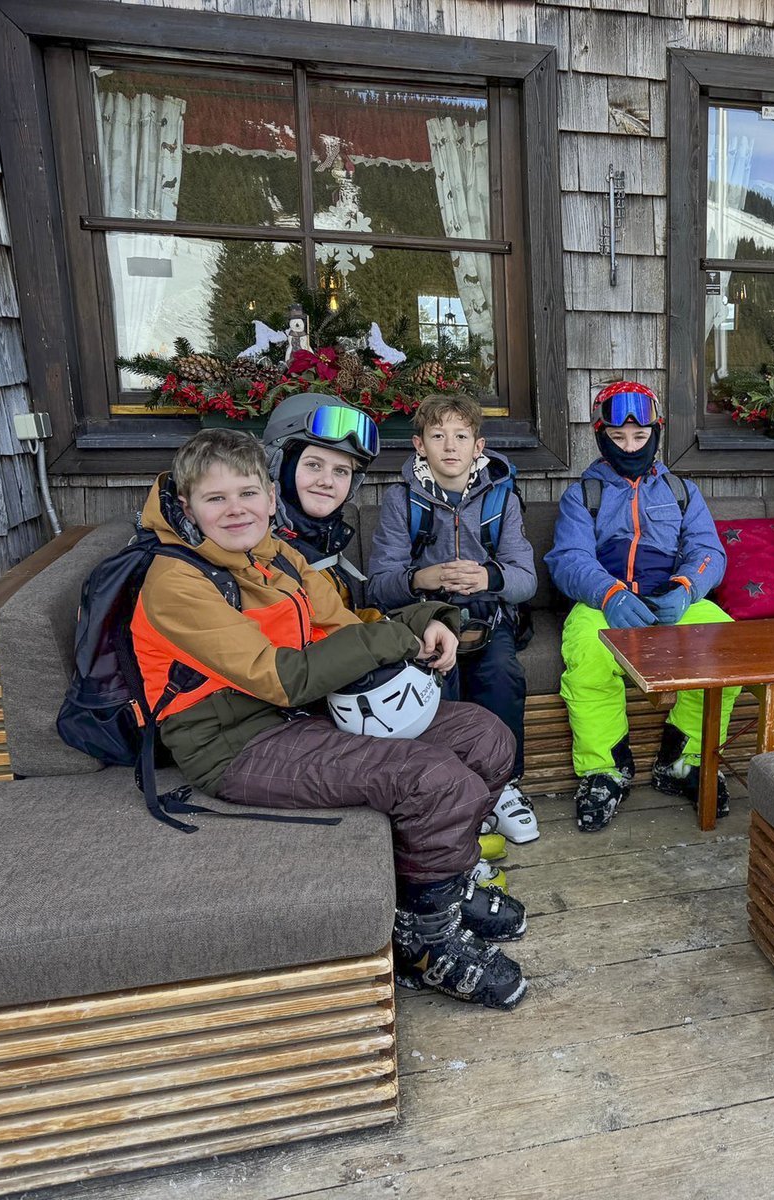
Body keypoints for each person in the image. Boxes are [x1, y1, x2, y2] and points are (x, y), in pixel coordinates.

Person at [129, 428, 528, 1010]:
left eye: (247, 493)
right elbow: (280, 676)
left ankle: (439, 889)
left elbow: (343, 623)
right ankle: (424, 944)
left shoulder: (276, 556)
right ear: (187, 507)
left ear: (270, 497)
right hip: (235, 742)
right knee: (432, 778)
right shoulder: (176, 582)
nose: (236, 509)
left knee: (485, 738)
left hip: (308, 712)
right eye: (216, 499)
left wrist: (423, 620)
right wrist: (394, 639)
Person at [545, 381, 740, 832]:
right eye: (618, 437)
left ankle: (684, 759)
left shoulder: (681, 491)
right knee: (588, 655)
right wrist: (608, 594)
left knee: (727, 645)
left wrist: (687, 588)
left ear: (656, 432)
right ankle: (604, 770)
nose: (630, 446)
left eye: (640, 436)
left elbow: (708, 550)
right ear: (601, 436)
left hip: (670, 598)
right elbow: (569, 557)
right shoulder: (583, 494)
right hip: (605, 601)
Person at [366, 393, 540, 844]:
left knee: (500, 674)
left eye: (461, 436)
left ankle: (504, 784)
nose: (450, 446)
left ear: (478, 446)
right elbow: (378, 586)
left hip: (486, 615)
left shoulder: (501, 498)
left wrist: (487, 577)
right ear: (419, 445)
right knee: (438, 680)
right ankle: (453, 789)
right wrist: (421, 578)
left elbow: (526, 580)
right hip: (425, 616)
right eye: (437, 435)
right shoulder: (402, 501)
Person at [262, 394, 378, 614]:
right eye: (314, 465)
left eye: (341, 471)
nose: (327, 481)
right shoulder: (259, 552)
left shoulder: (320, 540)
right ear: (280, 466)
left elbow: (343, 621)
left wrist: (422, 619)